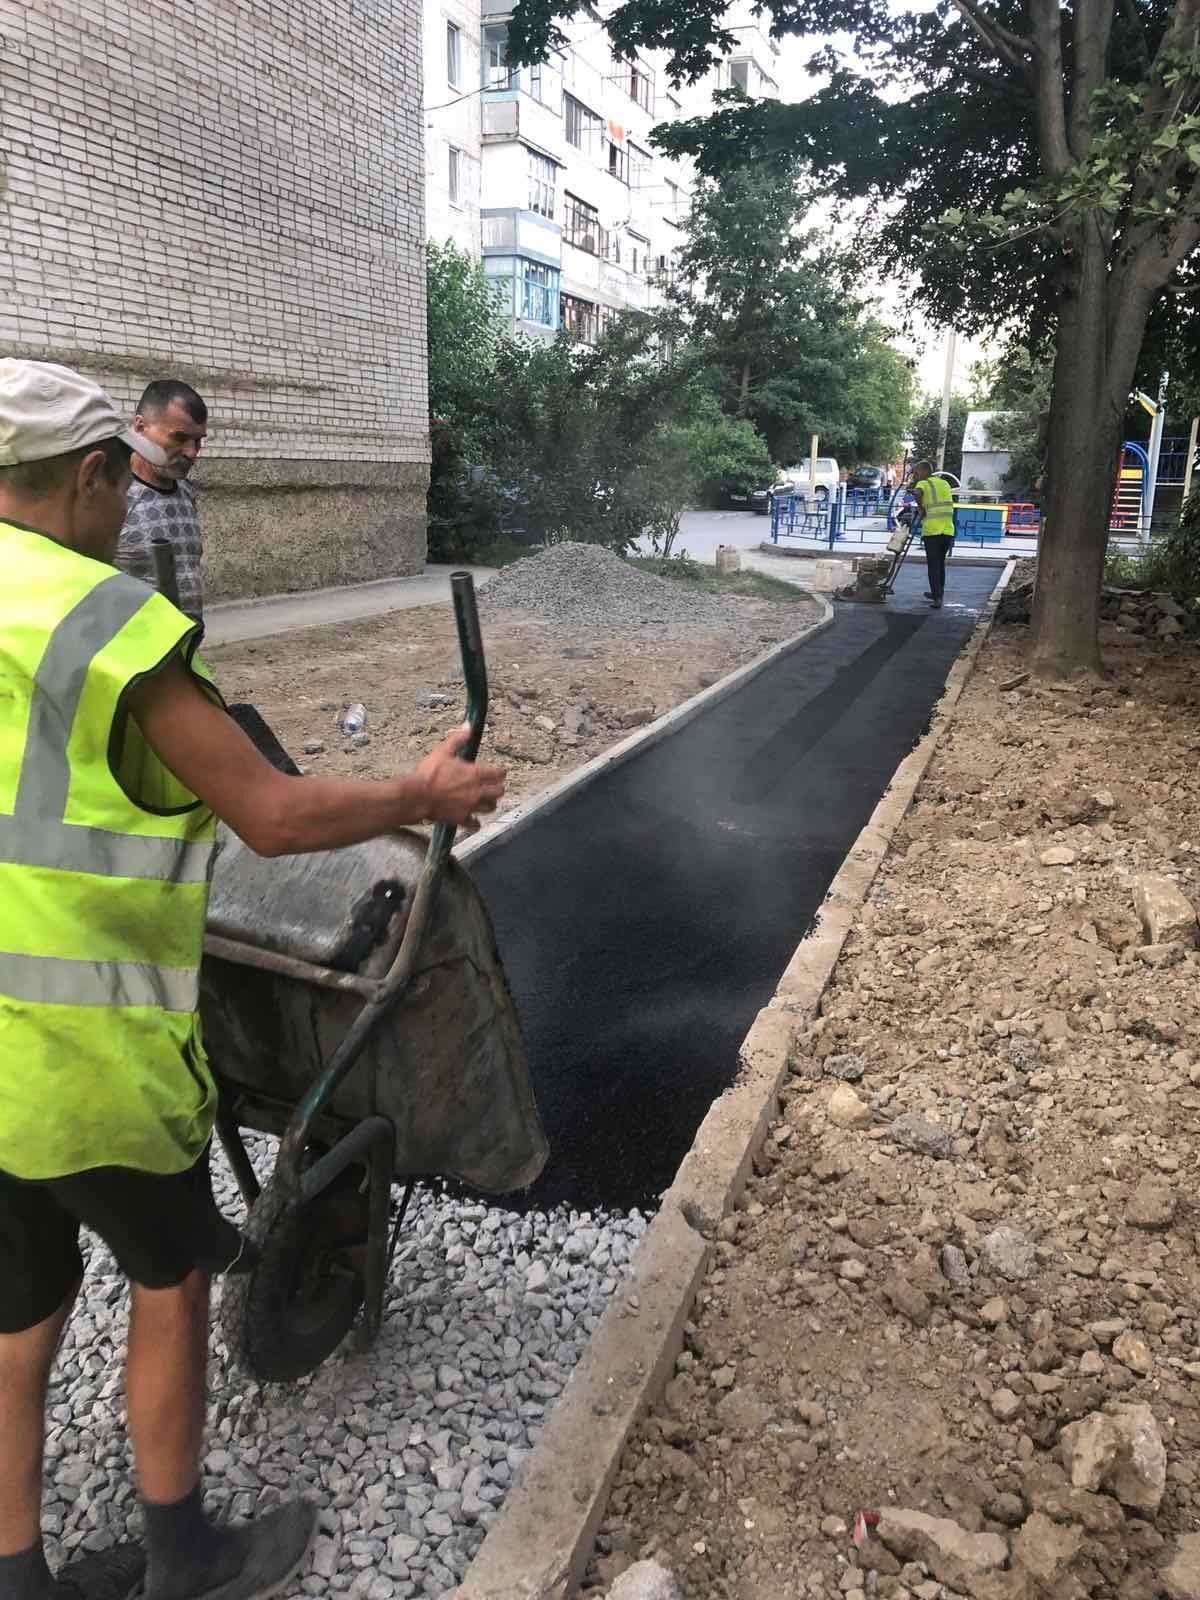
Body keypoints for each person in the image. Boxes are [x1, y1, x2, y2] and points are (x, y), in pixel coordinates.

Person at [0, 359, 506, 1600]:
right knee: (168, 1284)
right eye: (120, 480)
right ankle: (188, 1554)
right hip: (93, 1048)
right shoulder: (102, 619)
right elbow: (270, 817)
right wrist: (420, 795)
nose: (127, 507)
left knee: (14, 1321)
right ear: (88, 475)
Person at [115, 381, 208, 623]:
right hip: (133, 652)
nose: (191, 452)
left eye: (197, 441)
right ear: (139, 427)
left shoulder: (186, 492)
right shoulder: (113, 496)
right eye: (180, 438)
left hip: (186, 648)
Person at [908, 458, 957, 609]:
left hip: (932, 531)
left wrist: (920, 508)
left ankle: (937, 598)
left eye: (917, 472)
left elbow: (917, 492)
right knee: (940, 564)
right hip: (948, 530)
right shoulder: (944, 483)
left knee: (933, 565)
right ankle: (938, 592)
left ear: (924, 471)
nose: (915, 475)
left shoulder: (923, 483)